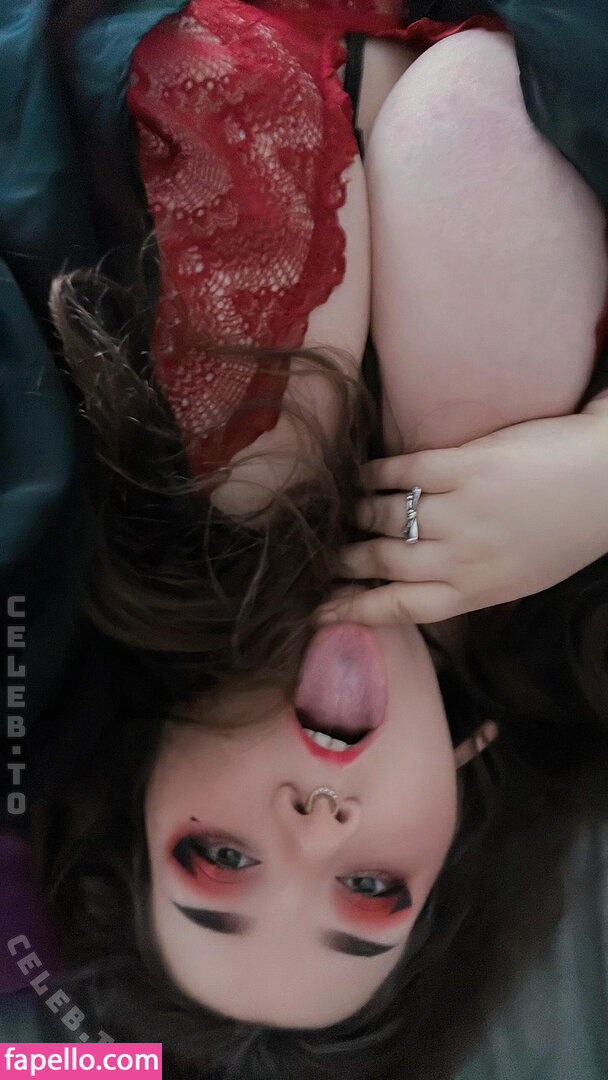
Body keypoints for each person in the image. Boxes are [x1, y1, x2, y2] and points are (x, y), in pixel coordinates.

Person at [8, 0, 608, 1077]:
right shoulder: (585, 632)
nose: (316, 823)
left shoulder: (69, 508)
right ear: (457, 827)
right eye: (370, 890)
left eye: (218, 860)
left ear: (139, 793)